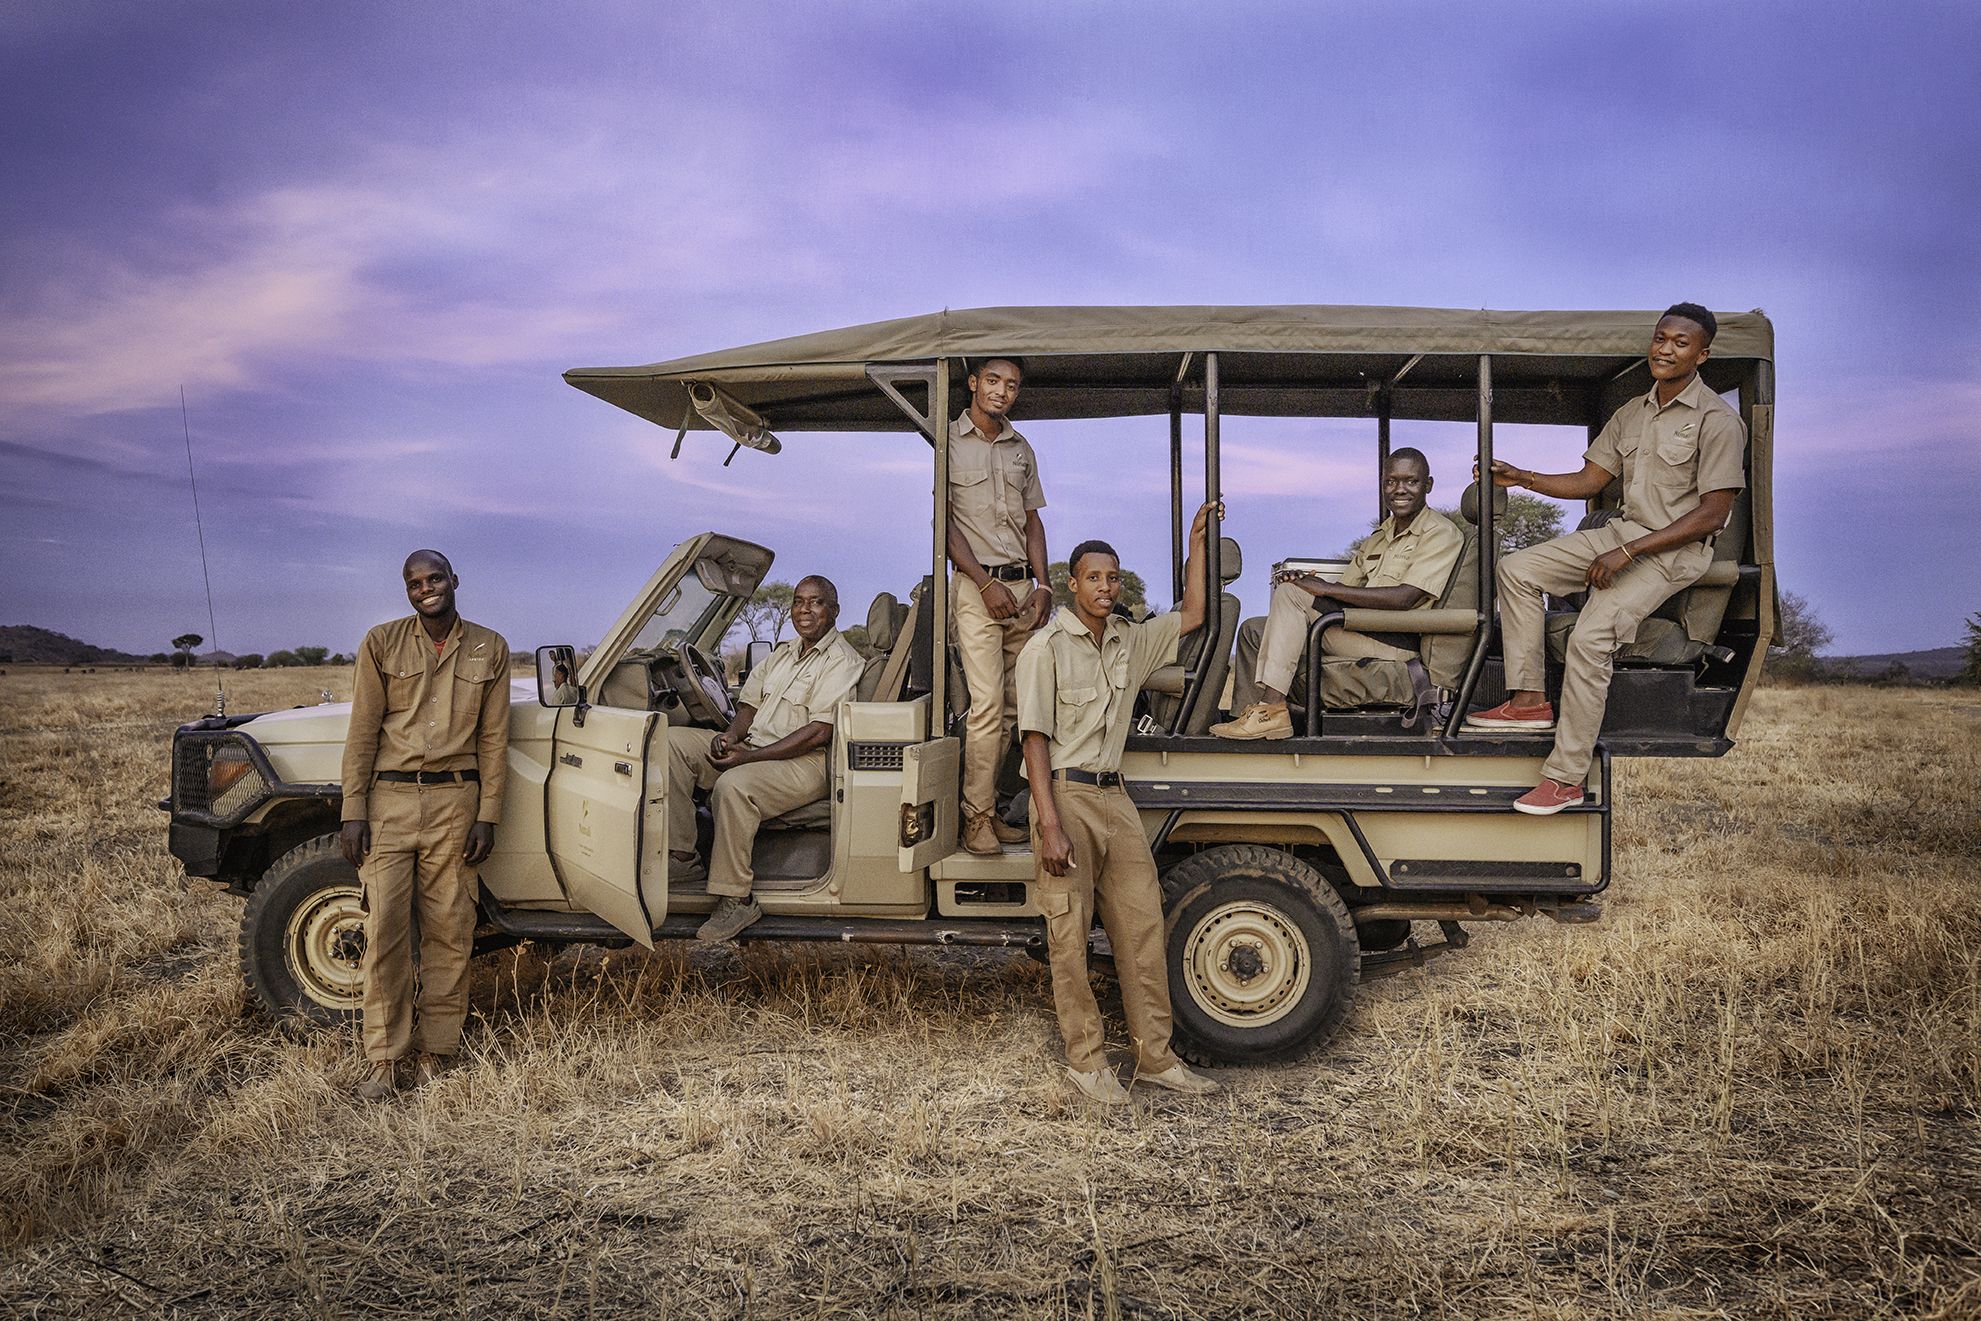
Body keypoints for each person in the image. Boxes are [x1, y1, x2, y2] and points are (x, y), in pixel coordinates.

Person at [1467, 303, 1746, 814]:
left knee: (1591, 637)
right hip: (1623, 533)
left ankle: (1566, 777)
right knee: (1517, 569)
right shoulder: (1631, 413)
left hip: (1673, 551)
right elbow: (1590, 483)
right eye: (1661, 338)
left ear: (1701, 355)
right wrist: (1523, 476)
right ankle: (1529, 700)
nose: (1665, 349)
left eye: (1681, 343)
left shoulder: (1717, 421)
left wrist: (1628, 550)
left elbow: (1711, 514)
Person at [1016, 503, 1223, 1105]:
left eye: (1114, 578)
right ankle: (1086, 1063)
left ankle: (1155, 1059)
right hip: (1066, 797)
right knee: (1069, 933)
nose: (1106, 588)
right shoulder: (1045, 648)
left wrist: (1196, 545)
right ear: (1072, 583)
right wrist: (1049, 823)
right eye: (1094, 578)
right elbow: (1033, 740)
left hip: (1115, 796)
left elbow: (1193, 614)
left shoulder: (1130, 639)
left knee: (1142, 927)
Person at [340, 550, 511, 1102]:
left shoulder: (491, 646)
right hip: (388, 802)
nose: (426, 589)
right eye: (415, 583)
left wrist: (488, 814)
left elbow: (493, 739)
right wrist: (353, 810)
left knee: (449, 930)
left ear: (454, 580)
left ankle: (438, 1050)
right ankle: (384, 1061)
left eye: (434, 578)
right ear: (407, 591)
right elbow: (363, 730)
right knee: (385, 930)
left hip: (456, 805)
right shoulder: (382, 642)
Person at [1212, 448, 1463, 739]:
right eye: (1391, 481)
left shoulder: (1440, 533)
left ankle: (1273, 708)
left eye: (1411, 481)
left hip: (1395, 639)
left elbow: (1404, 598)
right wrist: (1309, 583)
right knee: (1253, 629)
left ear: (1428, 485)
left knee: (1291, 594)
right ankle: (1247, 718)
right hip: (1361, 630)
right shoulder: (1379, 537)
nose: (1399, 489)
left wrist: (1318, 590)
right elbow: (1347, 590)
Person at [666, 575, 864, 942]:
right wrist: (730, 736)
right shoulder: (783, 653)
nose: (804, 609)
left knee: (732, 787)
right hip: (759, 749)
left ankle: (736, 899)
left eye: (816, 602)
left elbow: (819, 732)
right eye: (798, 601)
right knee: (672, 743)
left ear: (833, 611)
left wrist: (750, 758)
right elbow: (749, 705)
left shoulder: (842, 661)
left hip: (808, 761)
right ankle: (682, 861)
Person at [946, 356, 1055, 855]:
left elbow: (1033, 522)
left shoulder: (1021, 447)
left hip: (1020, 590)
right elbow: (943, 524)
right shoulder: (947, 441)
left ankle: (992, 808)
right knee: (986, 705)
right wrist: (983, 580)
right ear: (973, 384)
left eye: (1011, 385)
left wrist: (1044, 586)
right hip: (976, 587)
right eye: (993, 381)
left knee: (1015, 708)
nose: (1002, 391)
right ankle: (976, 820)